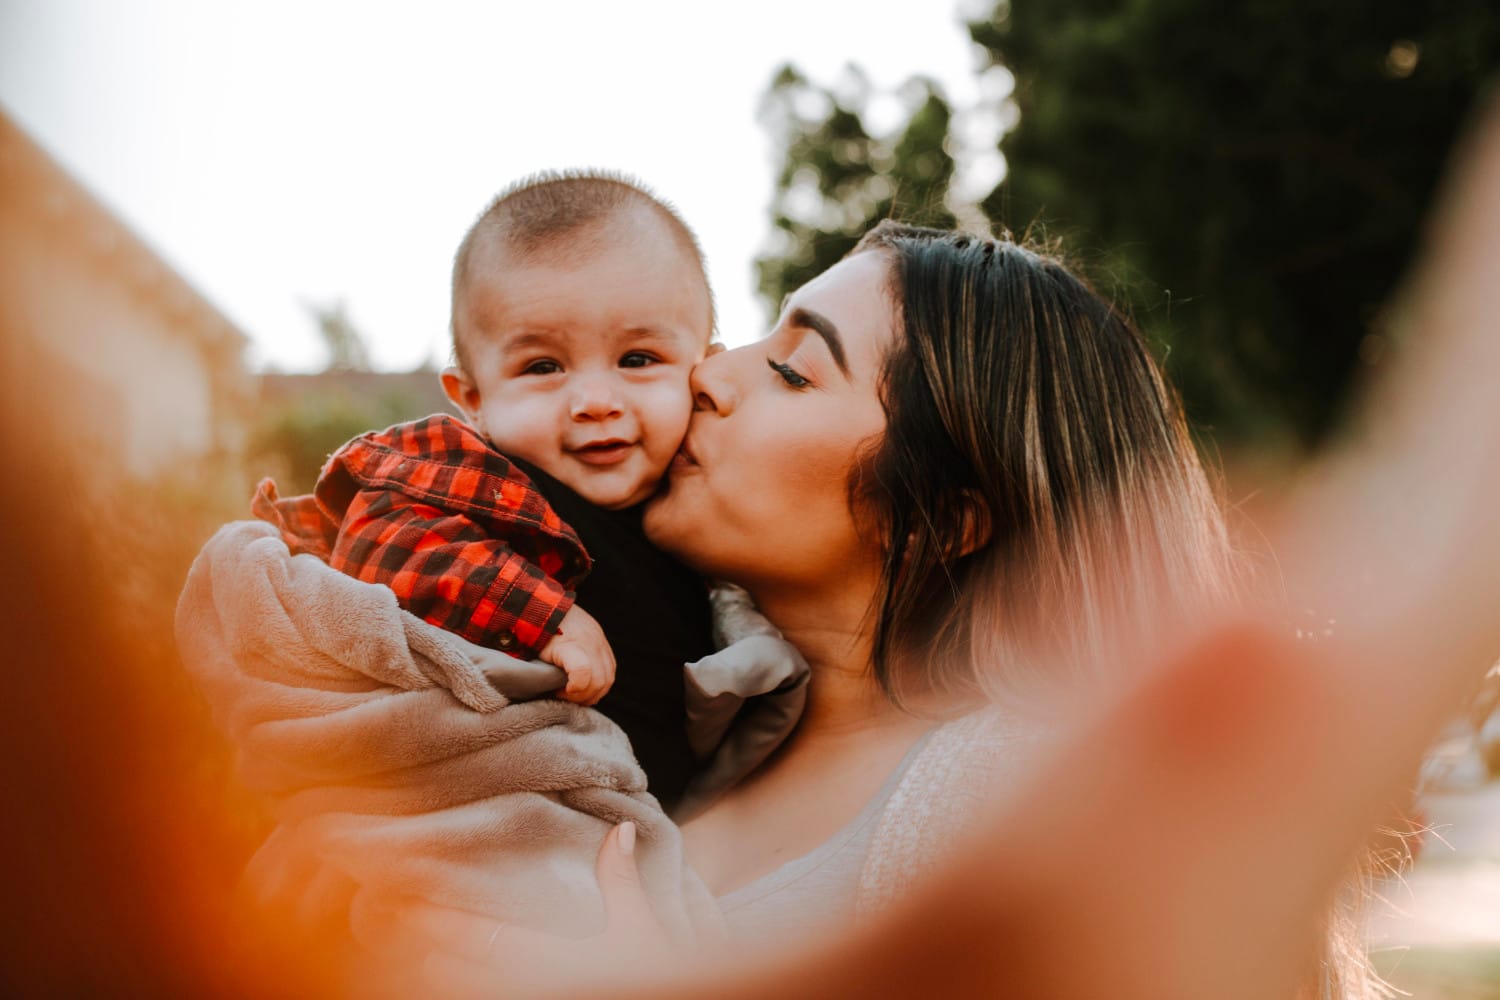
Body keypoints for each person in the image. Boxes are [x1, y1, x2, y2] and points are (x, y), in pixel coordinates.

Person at [369, 97, 1500, 1000]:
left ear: (948, 508)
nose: (704, 376)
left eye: (793, 367)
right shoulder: (713, 715)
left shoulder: (999, 788)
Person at [251, 171, 723, 811]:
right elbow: (384, 538)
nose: (594, 403)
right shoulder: (480, 476)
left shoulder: (709, 497)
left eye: (638, 359)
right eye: (542, 367)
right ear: (472, 399)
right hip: (498, 815)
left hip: (663, 828)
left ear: (706, 368)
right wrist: (540, 614)